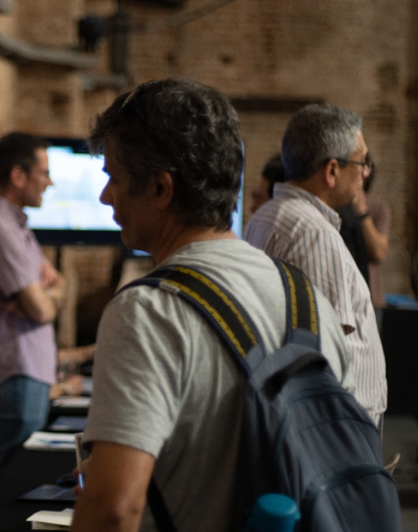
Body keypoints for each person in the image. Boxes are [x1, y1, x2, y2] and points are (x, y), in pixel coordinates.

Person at [70, 79, 351, 532]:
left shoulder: (148, 310)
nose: (106, 197)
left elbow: (112, 511)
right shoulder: (308, 300)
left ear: (161, 189)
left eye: (114, 179)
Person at [244, 104, 387, 426]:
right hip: (337, 430)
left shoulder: (268, 214)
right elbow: (328, 353)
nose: (366, 172)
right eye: (361, 162)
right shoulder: (313, 233)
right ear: (332, 170)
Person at [0, 132, 65, 479]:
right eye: (43, 173)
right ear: (18, 176)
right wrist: (43, 299)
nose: (49, 183)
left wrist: (44, 294)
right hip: (16, 369)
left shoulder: (17, 225)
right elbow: (42, 311)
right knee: (11, 484)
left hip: (29, 369)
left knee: (23, 479)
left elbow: (58, 286)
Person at [337, 153, 392, 309]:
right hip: (342, 298)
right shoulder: (336, 203)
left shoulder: (379, 208)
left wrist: (362, 212)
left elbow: (379, 252)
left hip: (370, 299)